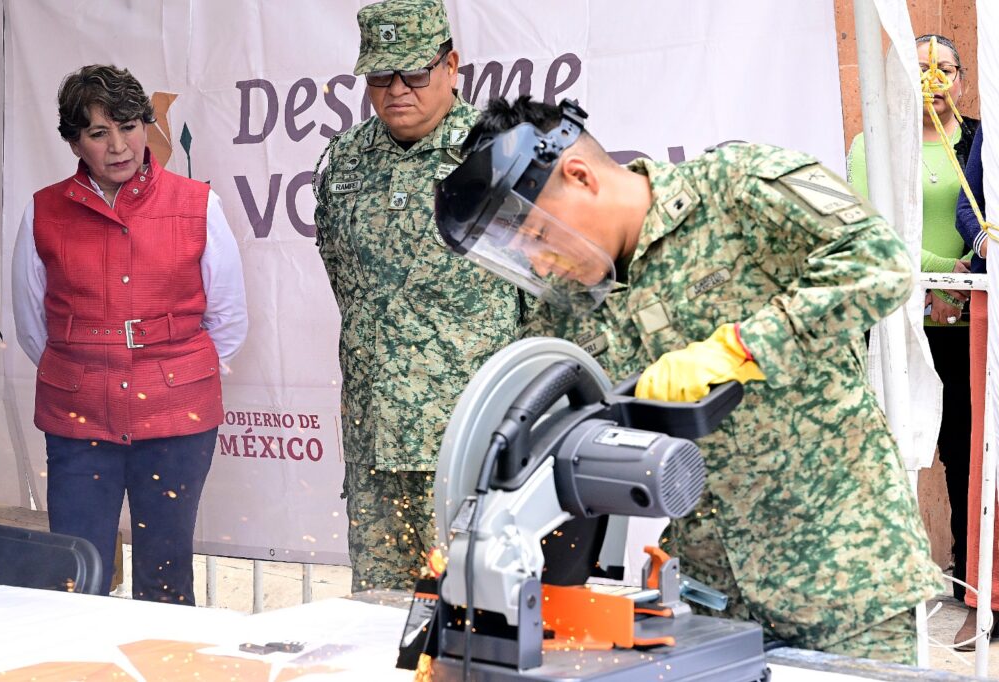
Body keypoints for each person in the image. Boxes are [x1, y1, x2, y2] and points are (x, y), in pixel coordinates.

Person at [434, 95, 942, 663]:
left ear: (579, 176)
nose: (542, 263)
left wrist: (739, 347)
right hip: (710, 607)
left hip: (847, 580)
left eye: (536, 235)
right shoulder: (571, 307)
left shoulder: (734, 188)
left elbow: (881, 260)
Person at [12, 64, 248, 604]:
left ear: (147, 125)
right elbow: (32, 327)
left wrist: (175, 377)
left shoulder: (197, 203)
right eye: (99, 133)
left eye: (129, 126)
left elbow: (229, 320)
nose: (119, 146)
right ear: (75, 141)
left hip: (176, 417)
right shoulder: (42, 211)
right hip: (78, 418)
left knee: (166, 573)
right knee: (74, 573)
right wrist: (86, 368)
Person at [311, 0, 521, 592]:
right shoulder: (345, 161)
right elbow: (345, 279)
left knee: (477, 613)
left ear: (451, 65)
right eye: (380, 76)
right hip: (375, 439)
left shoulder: (499, 156)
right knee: (379, 618)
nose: (397, 90)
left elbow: (550, 301)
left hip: (471, 440)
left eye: (414, 73)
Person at [847, 34, 978, 625]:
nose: (935, 81)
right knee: (896, 445)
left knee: (964, 448)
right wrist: (939, 275)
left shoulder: (980, 141)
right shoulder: (873, 144)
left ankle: (971, 581)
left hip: (970, 320)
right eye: (922, 70)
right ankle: (890, 576)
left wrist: (966, 283)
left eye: (945, 69)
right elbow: (873, 233)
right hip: (900, 317)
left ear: (961, 78)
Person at [953, 124, 999, 646]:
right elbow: (967, 208)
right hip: (993, 289)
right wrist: (988, 241)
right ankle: (984, 598)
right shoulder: (990, 127)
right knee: (987, 446)